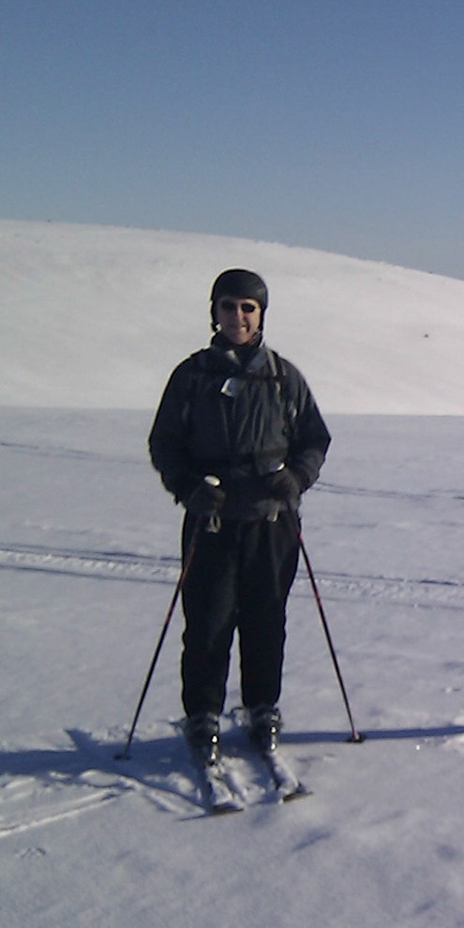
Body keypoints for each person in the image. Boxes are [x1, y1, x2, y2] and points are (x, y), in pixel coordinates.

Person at [148, 269, 331, 763]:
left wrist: (295, 478)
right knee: (207, 620)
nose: (238, 317)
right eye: (229, 306)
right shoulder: (193, 376)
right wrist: (188, 487)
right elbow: (164, 443)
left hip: (272, 519)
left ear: (261, 315)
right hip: (212, 518)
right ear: (215, 312)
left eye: (248, 308)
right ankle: (203, 711)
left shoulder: (282, 376)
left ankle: (262, 706)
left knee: (266, 618)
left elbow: (315, 438)